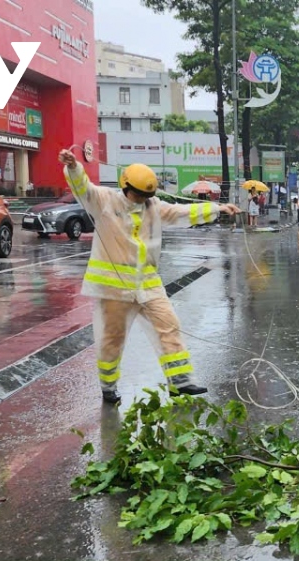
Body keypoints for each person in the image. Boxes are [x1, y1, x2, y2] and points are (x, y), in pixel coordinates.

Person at [59, 148, 241, 403]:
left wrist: (217, 209)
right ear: (125, 187)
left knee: (169, 326)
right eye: (139, 195)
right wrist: (73, 167)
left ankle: (180, 383)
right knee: (111, 339)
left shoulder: (152, 206)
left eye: (146, 196)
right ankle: (108, 386)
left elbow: (181, 212)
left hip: (148, 285)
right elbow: (83, 188)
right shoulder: (104, 201)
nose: (142, 200)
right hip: (113, 289)